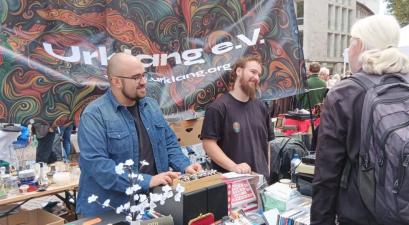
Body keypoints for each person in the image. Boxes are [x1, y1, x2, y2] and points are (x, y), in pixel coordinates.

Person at [311, 15, 409, 225]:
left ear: (359, 45)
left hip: (364, 216)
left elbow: (327, 173)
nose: (348, 50)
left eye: (350, 43)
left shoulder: (345, 94)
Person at [76, 53, 202, 217]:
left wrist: (185, 166)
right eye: (136, 77)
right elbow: (97, 166)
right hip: (110, 211)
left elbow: (169, 143)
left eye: (143, 75)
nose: (143, 82)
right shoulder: (94, 115)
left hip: (151, 206)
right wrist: (147, 181)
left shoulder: (151, 106)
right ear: (116, 81)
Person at [200, 55, 275, 177]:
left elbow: (267, 142)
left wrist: (267, 171)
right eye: (253, 72)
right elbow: (208, 144)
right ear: (239, 71)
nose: (256, 78)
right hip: (232, 185)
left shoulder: (262, 106)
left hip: (260, 182)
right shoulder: (218, 108)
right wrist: (234, 167)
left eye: (259, 75)